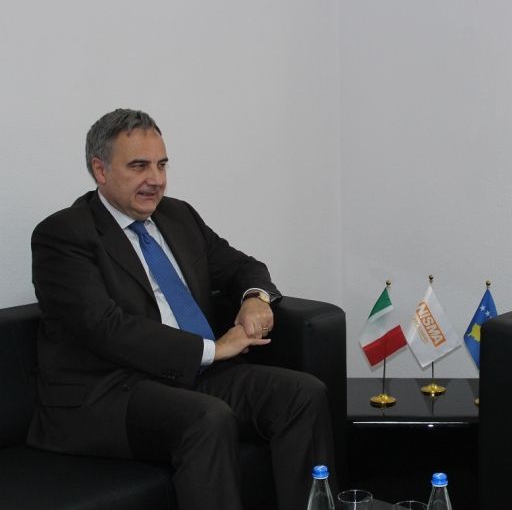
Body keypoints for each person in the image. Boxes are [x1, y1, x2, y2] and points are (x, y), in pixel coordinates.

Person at [28, 108, 334, 510]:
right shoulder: (63, 234)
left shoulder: (178, 216)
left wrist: (255, 298)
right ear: (100, 170)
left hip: (188, 377)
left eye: (161, 164)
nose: (156, 179)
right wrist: (212, 350)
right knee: (207, 419)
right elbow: (105, 327)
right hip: (110, 393)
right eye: (139, 166)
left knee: (303, 394)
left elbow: (242, 266)